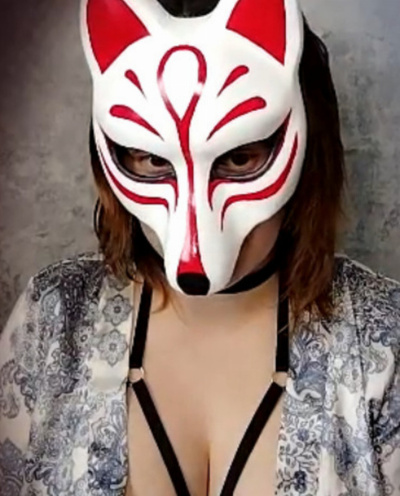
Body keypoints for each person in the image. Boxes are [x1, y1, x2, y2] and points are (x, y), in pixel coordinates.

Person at [0, 0, 399, 494]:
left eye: (240, 158)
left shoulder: (384, 343)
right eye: (152, 160)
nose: (196, 245)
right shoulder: (51, 321)